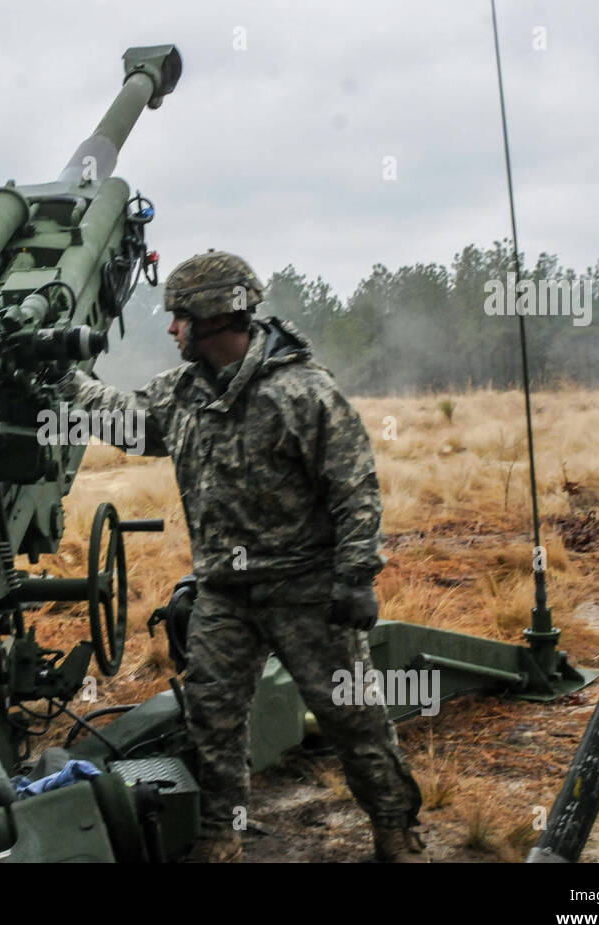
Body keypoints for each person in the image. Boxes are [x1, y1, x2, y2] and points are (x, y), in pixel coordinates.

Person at [58, 250, 426, 863]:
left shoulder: (301, 392)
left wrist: (356, 576)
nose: (171, 329)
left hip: (306, 591)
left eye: (179, 317)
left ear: (211, 317)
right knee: (213, 719)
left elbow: (353, 485)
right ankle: (221, 834)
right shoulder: (184, 393)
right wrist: (68, 381)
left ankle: (396, 831)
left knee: (352, 717)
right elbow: (129, 420)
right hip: (225, 593)